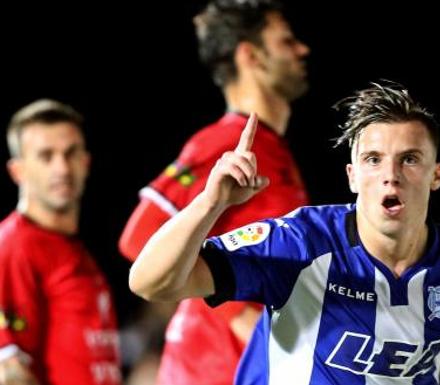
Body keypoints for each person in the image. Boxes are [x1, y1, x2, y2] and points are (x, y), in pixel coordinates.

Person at [128, 81, 440, 385]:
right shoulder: (301, 245)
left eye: (410, 159)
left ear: (436, 175)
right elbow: (150, 281)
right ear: (351, 176)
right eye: (373, 160)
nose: (391, 175)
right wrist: (211, 202)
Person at [117, 0, 310, 384]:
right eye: (286, 41)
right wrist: (236, 315)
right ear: (250, 55)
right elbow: (138, 238)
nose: (302, 49)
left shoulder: (274, 150)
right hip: (211, 368)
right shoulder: (224, 142)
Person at [0, 99, 121, 385]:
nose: (62, 168)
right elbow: (9, 371)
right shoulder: (13, 246)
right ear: (17, 171)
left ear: (86, 162)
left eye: (70, 153)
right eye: (46, 156)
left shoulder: (72, 248)